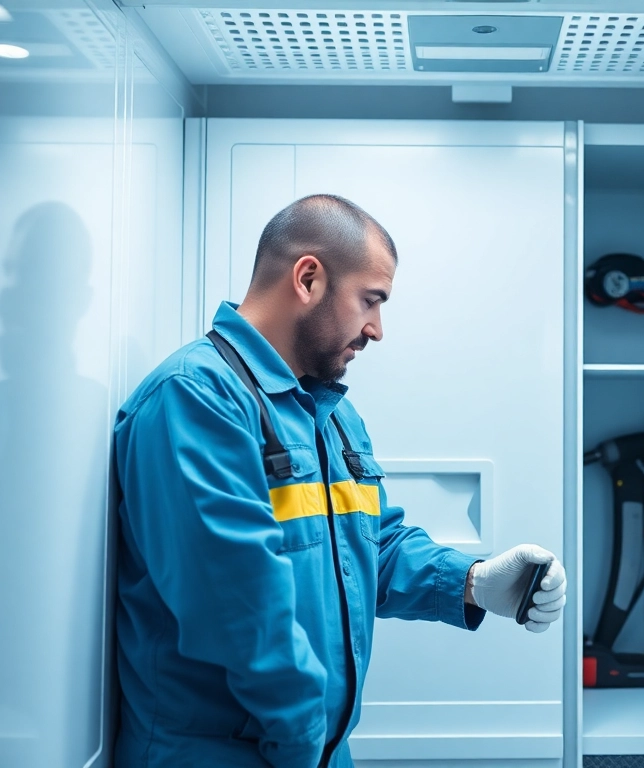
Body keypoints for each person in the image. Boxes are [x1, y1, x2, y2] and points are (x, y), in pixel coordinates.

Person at [112, 194, 567, 768]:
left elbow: (368, 545)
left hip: (310, 751)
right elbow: (241, 612)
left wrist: (473, 582)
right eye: (371, 301)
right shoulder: (196, 399)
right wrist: (307, 750)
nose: (377, 329)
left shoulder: (329, 413)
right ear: (308, 278)